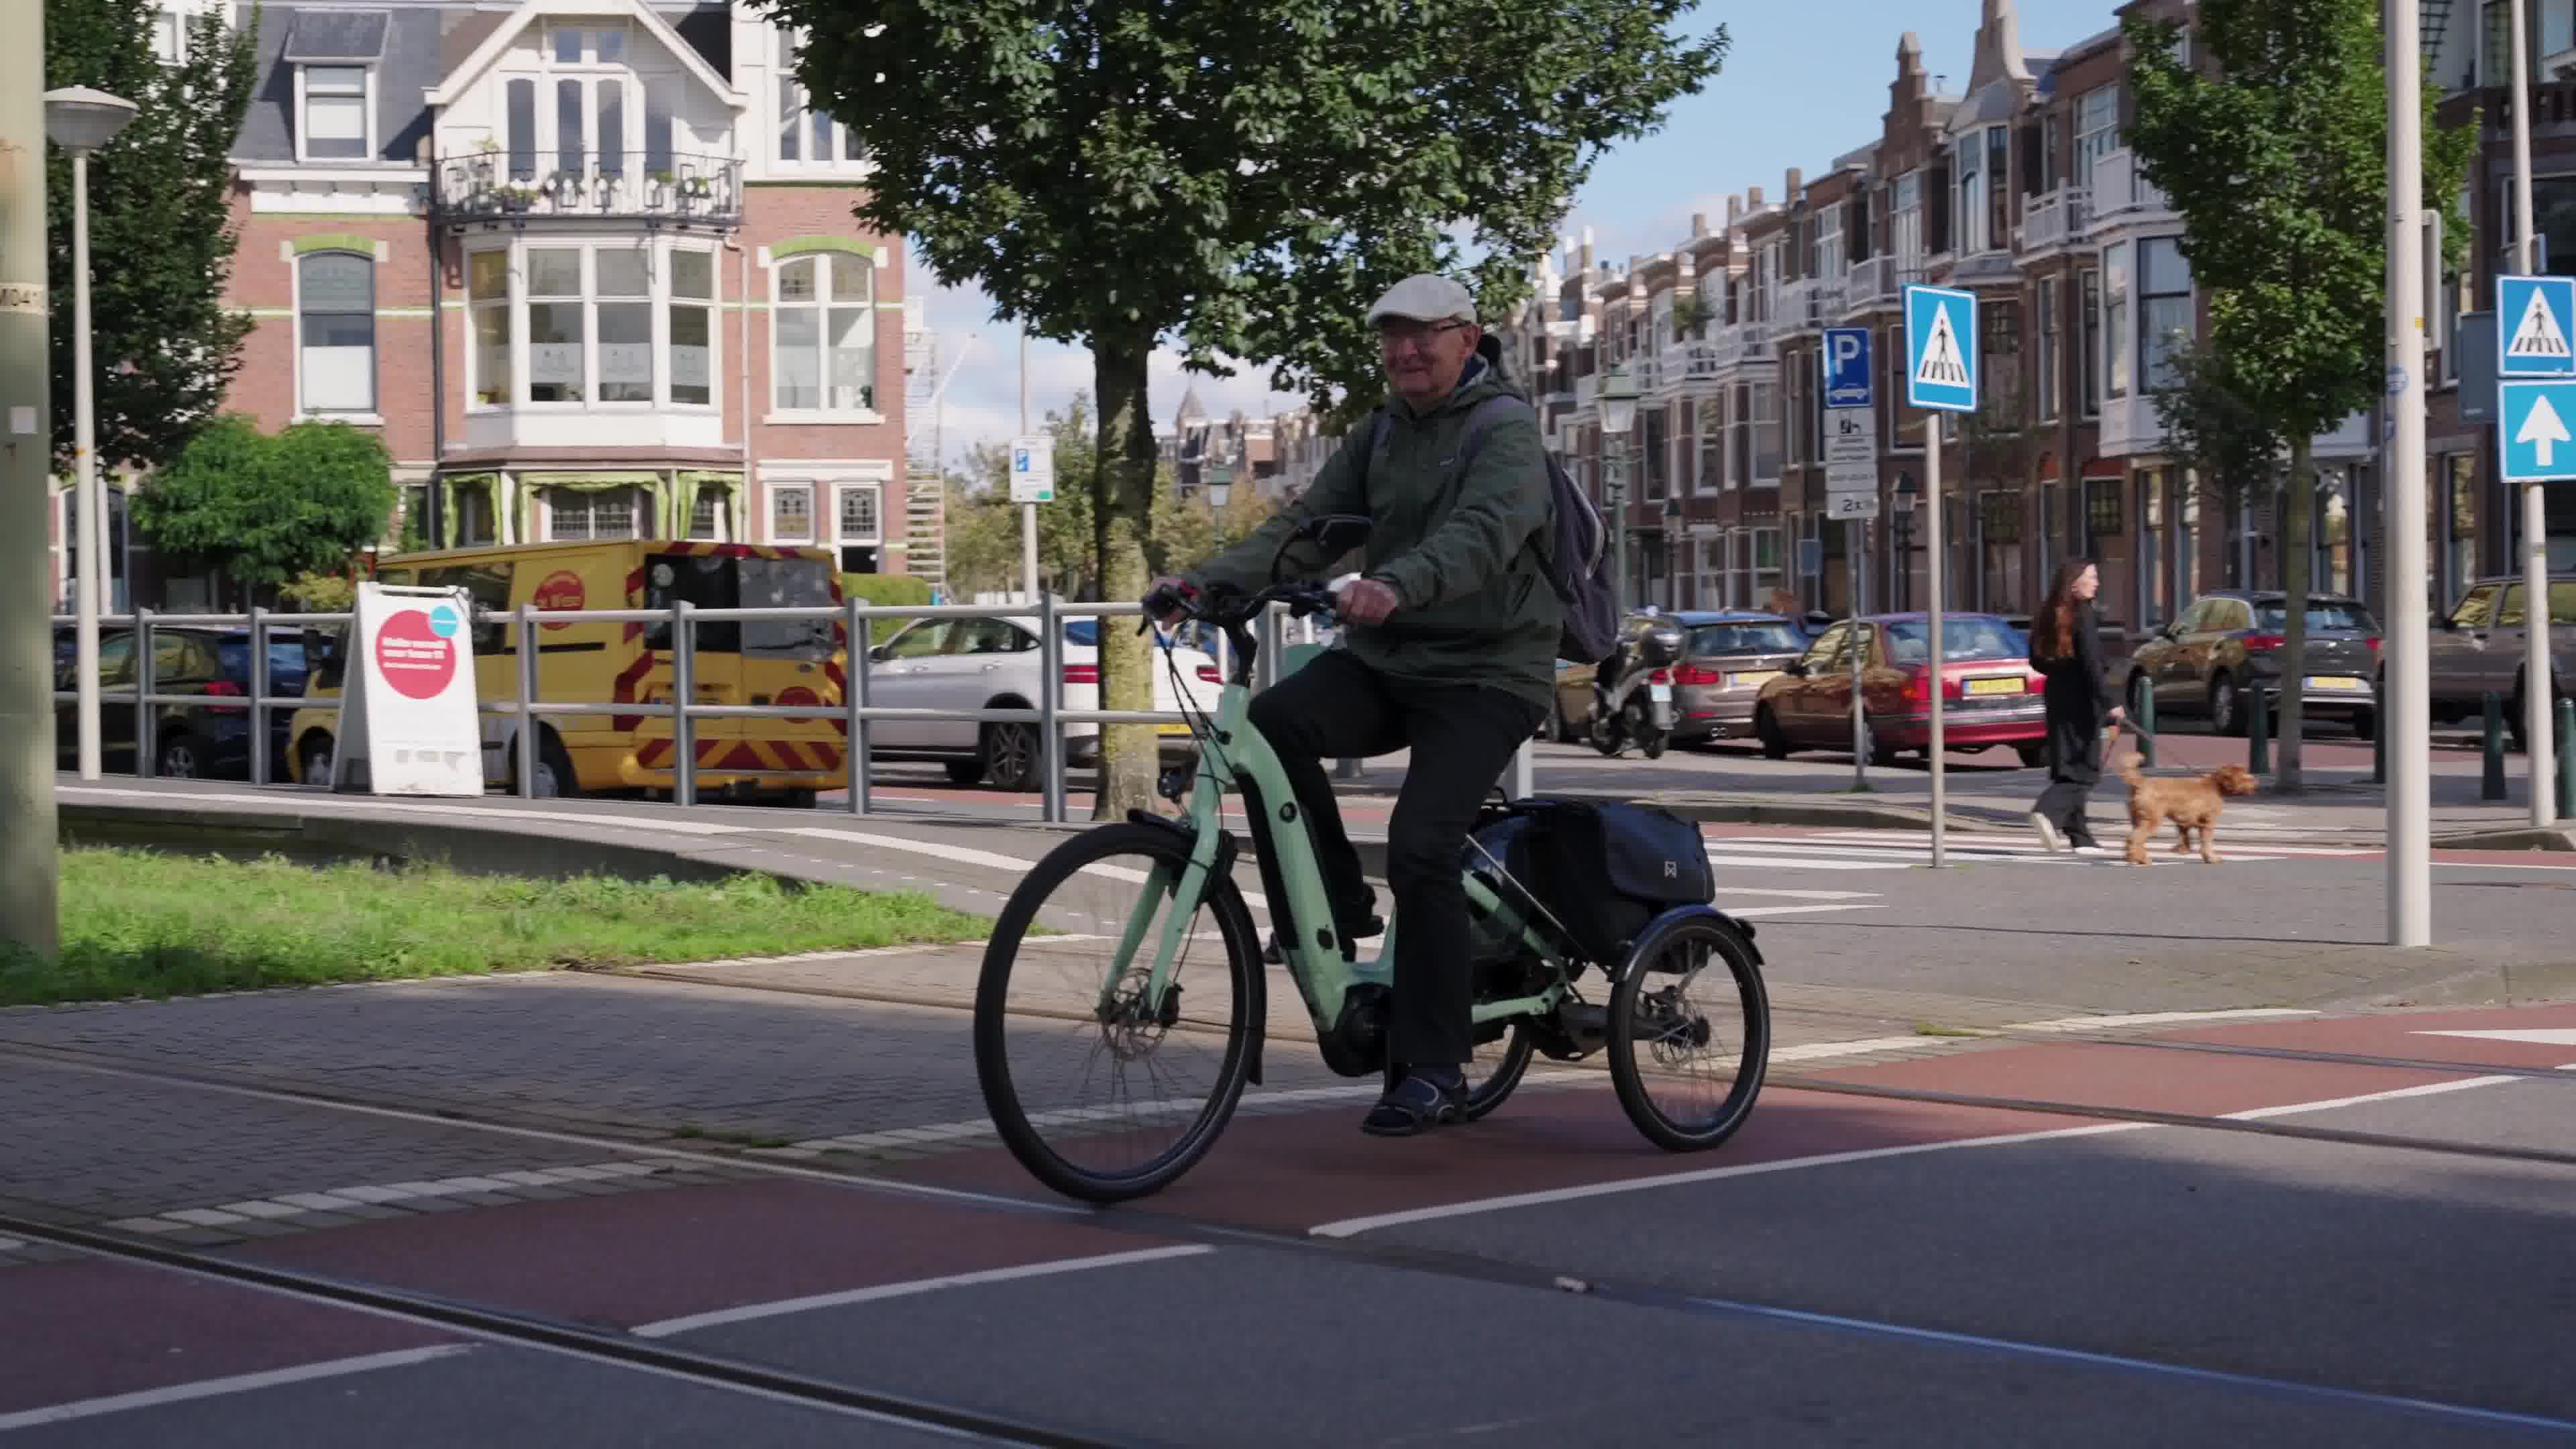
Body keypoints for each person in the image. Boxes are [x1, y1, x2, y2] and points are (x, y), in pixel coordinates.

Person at [1146, 273, 1559, 1137]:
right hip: (1390, 658)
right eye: (1391, 337)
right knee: (1270, 725)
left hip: (1487, 671)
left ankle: (1435, 1066)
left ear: (1467, 338)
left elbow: (1486, 531)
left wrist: (1395, 583)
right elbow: (1299, 527)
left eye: (1425, 336)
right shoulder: (1377, 435)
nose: (1405, 352)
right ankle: (1338, 908)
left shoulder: (1507, 430)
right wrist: (1201, 582)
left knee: (1421, 844)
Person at [2027, 558, 2124, 854]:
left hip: (2057, 695)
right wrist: (2110, 703)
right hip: (2083, 700)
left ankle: (2079, 836)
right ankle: (2047, 811)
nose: (2096, 582)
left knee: (2066, 764)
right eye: (2091, 577)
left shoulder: (2049, 615)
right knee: (2086, 769)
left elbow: (2036, 660)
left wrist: (2061, 671)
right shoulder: (2084, 615)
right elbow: (2092, 665)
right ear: (2074, 583)